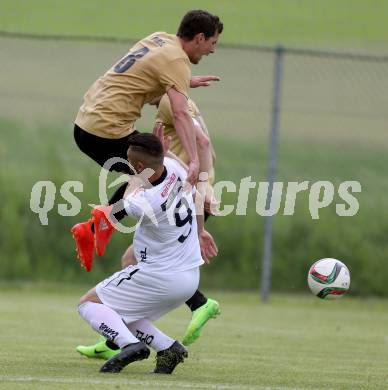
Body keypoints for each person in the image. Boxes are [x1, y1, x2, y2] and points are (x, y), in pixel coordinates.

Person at [71, 9, 223, 273]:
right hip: (106, 129)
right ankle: (101, 225)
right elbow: (180, 112)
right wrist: (195, 161)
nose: (212, 51)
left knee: (150, 170)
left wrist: (183, 82)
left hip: (85, 123)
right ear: (199, 38)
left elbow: (140, 76)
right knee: (162, 171)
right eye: (212, 43)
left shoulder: (159, 39)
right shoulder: (177, 60)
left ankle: (99, 225)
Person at [76, 95, 219, 360]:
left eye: (130, 163)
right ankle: (168, 348)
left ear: (139, 166)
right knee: (124, 302)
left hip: (160, 276)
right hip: (188, 276)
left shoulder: (142, 200)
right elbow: (188, 185)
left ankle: (128, 345)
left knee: (90, 304)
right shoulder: (177, 168)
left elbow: (123, 203)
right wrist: (199, 230)